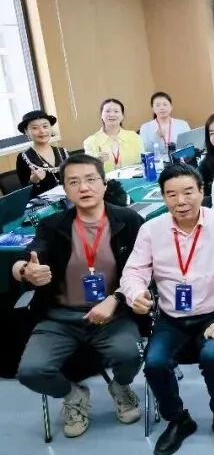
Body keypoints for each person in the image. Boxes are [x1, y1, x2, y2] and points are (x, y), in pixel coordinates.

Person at [118, 163, 214, 455]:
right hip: (171, 318)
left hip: (213, 314)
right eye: (172, 194)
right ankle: (178, 419)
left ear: (202, 191)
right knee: (154, 363)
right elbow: (133, 272)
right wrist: (136, 293)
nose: (181, 201)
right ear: (163, 197)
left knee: (213, 357)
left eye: (188, 192)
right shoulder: (151, 229)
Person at [14, 153, 144, 438]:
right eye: (73, 182)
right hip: (60, 319)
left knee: (130, 356)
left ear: (104, 184)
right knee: (31, 371)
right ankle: (73, 395)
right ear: (65, 189)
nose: (83, 187)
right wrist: (25, 270)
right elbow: (29, 257)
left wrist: (116, 299)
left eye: (90, 179)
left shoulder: (128, 221)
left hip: (113, 315)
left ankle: (120, 386)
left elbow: (144, 271)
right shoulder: (52, 225)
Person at [17, 110, 68, 196]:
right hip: (42, 203)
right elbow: (24, 193)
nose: (42, 131)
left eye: (45, 126)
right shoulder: (24, 157)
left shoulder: (62, 152)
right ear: (26, 131)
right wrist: (33, 180)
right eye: (35, 128)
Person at [83, 99, 143, 172]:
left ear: (122, 116)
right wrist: (97, 162)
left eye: (116, 111)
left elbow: (142, 161)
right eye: (107, 111)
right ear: (101, 115)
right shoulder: (90, 141)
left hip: (134, 177)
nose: (111, 114)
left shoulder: (134, 137)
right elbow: (88, 169)